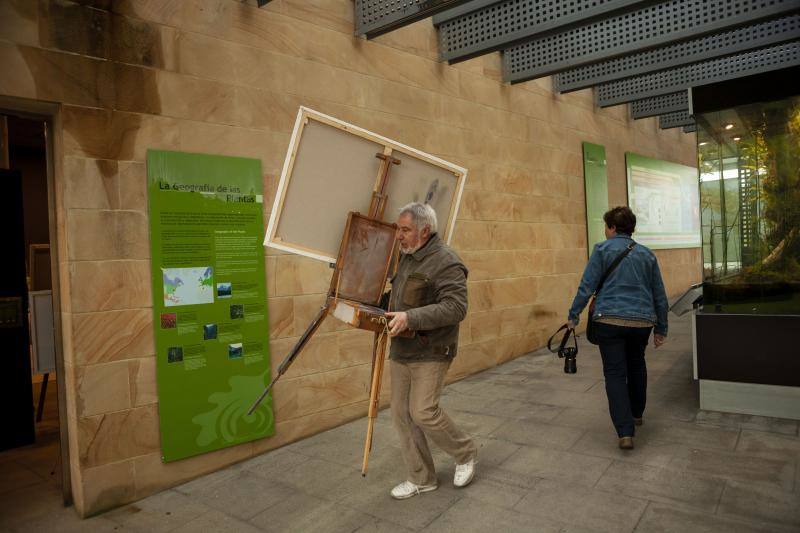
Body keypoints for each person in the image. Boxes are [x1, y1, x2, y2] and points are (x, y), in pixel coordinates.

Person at [384, 202, 477, 500]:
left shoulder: (446, 261)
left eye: (405, 229)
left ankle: (465, 452)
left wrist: (410, 318)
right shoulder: (406, 257)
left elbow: (456, 307)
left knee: (423, 411)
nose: (398, 235)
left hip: (432, 349)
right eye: (399, 228)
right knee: (401, 414)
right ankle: (422, 478)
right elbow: (398, 296)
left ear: (424, 231)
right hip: (402, 348)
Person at [567, 206, 668, 450]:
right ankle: (636, 414)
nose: (605, 231)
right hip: (641, 322)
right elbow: (659, 294)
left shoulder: (602, 250)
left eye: (606, 226)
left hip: (609, 320)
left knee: (614, 373)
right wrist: (661, 328)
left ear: (612, 228)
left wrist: (574, 314)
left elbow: (587, 285)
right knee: (636, 364)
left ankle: (625, 432)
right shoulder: (647, 255)